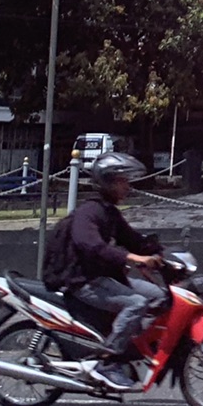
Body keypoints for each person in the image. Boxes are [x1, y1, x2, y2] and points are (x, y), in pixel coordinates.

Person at [46, 152, 166, 392]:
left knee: (159, 296)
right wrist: (131, 257)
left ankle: (128, 344)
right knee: (136, 304)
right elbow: (90, 244)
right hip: (83, 281)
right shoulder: (89, 212)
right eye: (122, 181)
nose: (127, 187)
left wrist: (163, 254)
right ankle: (107, 361)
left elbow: (133, 240)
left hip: (104, 278)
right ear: (108, 181)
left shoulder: (110, 213)